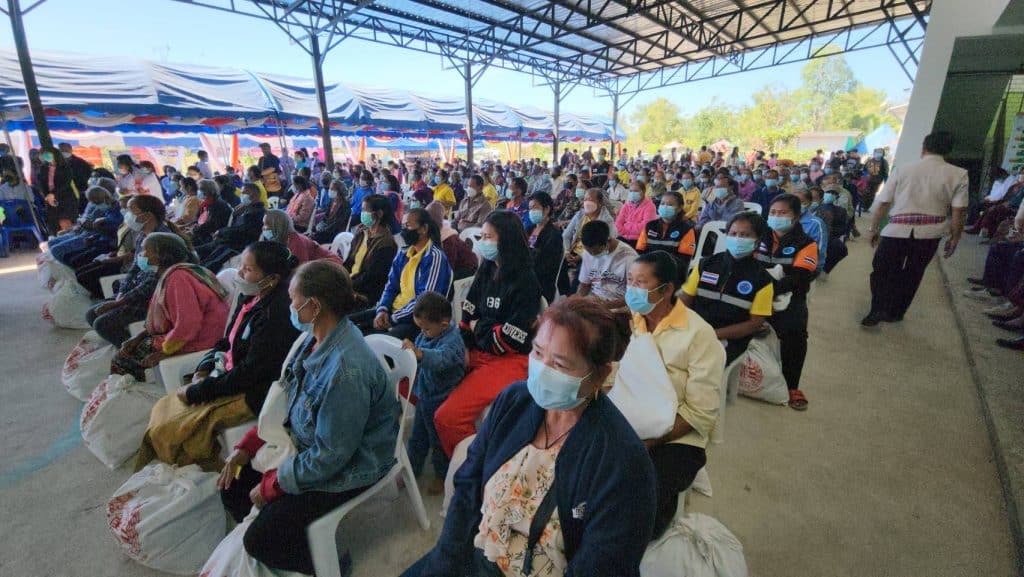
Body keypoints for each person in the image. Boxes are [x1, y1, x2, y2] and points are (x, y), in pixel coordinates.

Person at [403, 297, 656, 577]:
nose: (542, 370)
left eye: (559, 364)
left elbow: (603, 565)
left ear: (599, 376)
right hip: (474, 553)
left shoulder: (623, 464)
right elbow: (468, 485)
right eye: (537, 352)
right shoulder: (514, 401)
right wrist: (445, 560)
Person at [218, 260, 398, 576]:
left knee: (259, 541)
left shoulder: (345, 371)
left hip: (353, 464)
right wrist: (248, 445)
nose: (290, 306)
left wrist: (274, 484)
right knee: (232, 485)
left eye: (293, 300)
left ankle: (328, 564)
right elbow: (286, 397)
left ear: (314, 306)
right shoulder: (312, 338)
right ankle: (290, 529)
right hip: (311, 446)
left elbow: (330, 458)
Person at [136, 242, 300, 470]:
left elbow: (251, 373)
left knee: (171, 426)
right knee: (164, 407)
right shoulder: (250, 297)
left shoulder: (277, 314)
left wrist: (198, 391)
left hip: (253, 391)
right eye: (241, 266)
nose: (241, 273)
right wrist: (204, 367)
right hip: (227, 374)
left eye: (248, 270)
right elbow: (226, 341)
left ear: (271, 278)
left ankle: (193, 469)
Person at [623, 250, 724, 538]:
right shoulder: (638, 318)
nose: (632, 289)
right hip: (632, 417)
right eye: (629, 280)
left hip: (677, 434)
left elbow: (700, 412)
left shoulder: (699, 335)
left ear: (667, 289)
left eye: (640, 283)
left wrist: (652, 441)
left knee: (640, 500)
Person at [434, 210, 542, 457]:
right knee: (427, 388)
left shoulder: (526, 281)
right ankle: (451, 455)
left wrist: (479, 327)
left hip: (510, 361)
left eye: (489, 237)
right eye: (482, 236)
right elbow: (468, 313)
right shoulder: (487, 269)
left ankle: (472, 466)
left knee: (447, 417)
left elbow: (510, 339)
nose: (483, 242)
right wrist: (469, 340)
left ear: (507, 240)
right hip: (476, 351)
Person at [863, 132, 968, 327]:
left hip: (896, 231)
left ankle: (877, 308)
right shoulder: (959, 174)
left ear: (923, 148)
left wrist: (873, 228)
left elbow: (884, 203)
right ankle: (895, 312)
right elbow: (958, 210)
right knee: (913, 273)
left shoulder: (903, 169)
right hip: (930, 233)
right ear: (948, 151)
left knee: (883, 270)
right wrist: (955, 237)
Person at [111, 233, 229, 382]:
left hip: (203, 338)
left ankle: (137, 398)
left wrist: (164, 353)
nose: (141, 255)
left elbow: (189, 324)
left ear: (162, 255)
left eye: (145, 250)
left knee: (122, 361)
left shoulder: (179, 278)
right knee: (129, 350)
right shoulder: (177, 273)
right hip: (191, 334)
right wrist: (138, 337)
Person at [681, 213, 774, 365]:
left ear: (757, 241)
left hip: (730, 339)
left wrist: (712, 334)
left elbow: (754, 323)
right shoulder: (707, 264)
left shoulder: (762, 279)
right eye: (733, 233)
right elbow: (686, 299)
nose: (738, 238)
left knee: (702, 366)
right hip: (695, 329)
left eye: (745, 235)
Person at [81, 195, 179, 340]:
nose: (127, 215)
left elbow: (156, 280)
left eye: (131, 211)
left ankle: (134, 355)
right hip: (136, 290)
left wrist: (121, 301)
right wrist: (122, 292)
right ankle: (126, 345)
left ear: (147, 216)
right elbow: (135, 268)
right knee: (92, 313)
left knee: (102, 323)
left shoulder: (162, 240)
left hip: (155, 298)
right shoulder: (142, 236)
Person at [756, 194, 818, 410]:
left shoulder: (806, 243)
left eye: (783, 213)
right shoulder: (759, 236)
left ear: (796, 217)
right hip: (754, 292)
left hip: (788, 295)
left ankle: (792, 385)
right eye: (773, 212)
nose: (776, 217)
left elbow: (799, 278)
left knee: (796, 331)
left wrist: (767, 292)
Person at [351, 208, 452, 340]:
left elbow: (425, 302)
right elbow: (391, 286)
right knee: (347, 324)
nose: (404, 230)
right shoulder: (404, 253)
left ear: (423, 229)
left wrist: (393, 318)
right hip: (392, 312)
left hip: (417, 320)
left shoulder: (434, 257)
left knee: (377, 344)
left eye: (408, 226)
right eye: (403, 226)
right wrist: (382, 309)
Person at [401, 292, 466, 494]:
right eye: (420, 328)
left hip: (442, 397)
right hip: (425, 393)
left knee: (438, 439)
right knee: (417, 435)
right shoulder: (428, 333)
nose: (422, 332)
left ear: (444, 325)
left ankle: (442, 473)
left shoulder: (453, 341)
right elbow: (421, 344)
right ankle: (413, 467)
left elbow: (440, 359)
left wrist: (419, 354)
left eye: (426, 328)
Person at [196, 183, 266, 272]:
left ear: (254, 196)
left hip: (236, 245)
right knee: (200, 252)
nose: (242, 195)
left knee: (208, 262)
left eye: (244, 193)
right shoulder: (246, 209)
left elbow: (242, 231)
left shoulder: (257, 213)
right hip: (228, 241)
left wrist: (221, 232)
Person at [345, 194, 399, 302]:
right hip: (350, 282)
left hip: (364, 293)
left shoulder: (386, 244)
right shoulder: (362, 233)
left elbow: (371, 278)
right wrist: (339, 276)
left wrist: (345, 285)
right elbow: (349, 262)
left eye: (365, 210)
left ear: (379, 214)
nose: (362, 214)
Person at [635, 190, 696, 284]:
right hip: (647, 270)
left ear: (679, 208)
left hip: (672, 275)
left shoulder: (686, 229)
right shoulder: (650, 226)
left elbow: (684, 260)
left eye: (670, 204)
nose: (665, 206)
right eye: (662, 203)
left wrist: (658, 267)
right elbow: (640, 251)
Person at [577, 220, 637, 303]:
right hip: (595, 298)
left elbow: (634, 295)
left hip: (618, 303)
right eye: (589, 252)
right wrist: (577, 303)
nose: (592, 255)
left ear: (608, 241)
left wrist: (605, 307)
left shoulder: (629, 257)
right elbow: (584, 284)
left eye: (596, 251)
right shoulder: (588, 253)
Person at [261, 209, 342, 266]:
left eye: (267, 224)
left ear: (277, 225)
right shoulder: (284, 239)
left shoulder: (296, 242)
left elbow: (299, 269)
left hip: (330, 267)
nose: (263, 228)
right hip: (314, 266)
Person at [526, 192, 564, 304]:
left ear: (546, 209)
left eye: (535, 207)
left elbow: (546, 265)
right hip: (525, 274)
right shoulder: (529, 229)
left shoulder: (553, 234)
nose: (531, 211)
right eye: (530, 208)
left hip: (540, 281)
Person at [426, 201, 478, 280]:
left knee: (441, 279)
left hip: (467, 268)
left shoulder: (448, 238)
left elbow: (449, 266)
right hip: (454, 264)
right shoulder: (436, 231)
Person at [36, 147, 79, 235]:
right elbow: (41, 183)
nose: (46, 157)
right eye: (44, 155)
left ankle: (70, 240)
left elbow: (65, 183)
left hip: (65, 198)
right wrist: (47, 195)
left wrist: (53, 194)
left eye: (48, 154)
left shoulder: (65, 167)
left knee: (65, 221)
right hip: (50, 199)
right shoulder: (43, 168)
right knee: (53, 223)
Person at [615, 179, 658, 247]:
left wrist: (626, 227)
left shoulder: (650, 206)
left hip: (639, 239)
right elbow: (618, 222)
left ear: (643, 191)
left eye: (636, 191)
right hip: (624, 236)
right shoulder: (627, 205)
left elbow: (645, 226)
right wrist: (624, 232)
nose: (632, 193)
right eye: (631, 191)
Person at [308, 180, 352, 244]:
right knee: (310, 235)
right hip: (326, 230)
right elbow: (325, 218)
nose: (330, 190)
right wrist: (317, 228)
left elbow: (336, 225)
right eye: (330, 188)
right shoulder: (332, 201)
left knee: (312, 240)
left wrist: (321, 232)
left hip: (334, 233)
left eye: (332, 189)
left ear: (338, 191)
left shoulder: (345, 205)